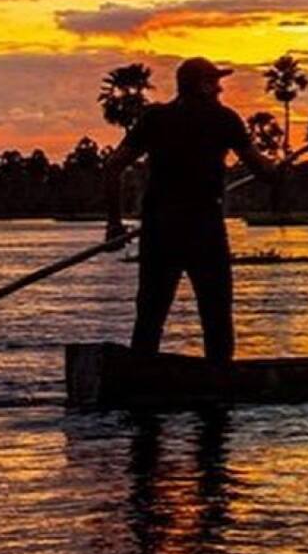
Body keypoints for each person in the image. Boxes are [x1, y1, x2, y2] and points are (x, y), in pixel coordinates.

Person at [103, 57, 278, 362]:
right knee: (216, 316)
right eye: (215, 82)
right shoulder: (223, 119)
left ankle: (141, 376)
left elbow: (112, 167)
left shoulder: (155, 118)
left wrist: (114, 223)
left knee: (150, 316)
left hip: (160, 229)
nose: (220, 89)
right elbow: (262, 171)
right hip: (203, 229)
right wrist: (275, 169)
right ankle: (218, 378)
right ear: (203, 86)